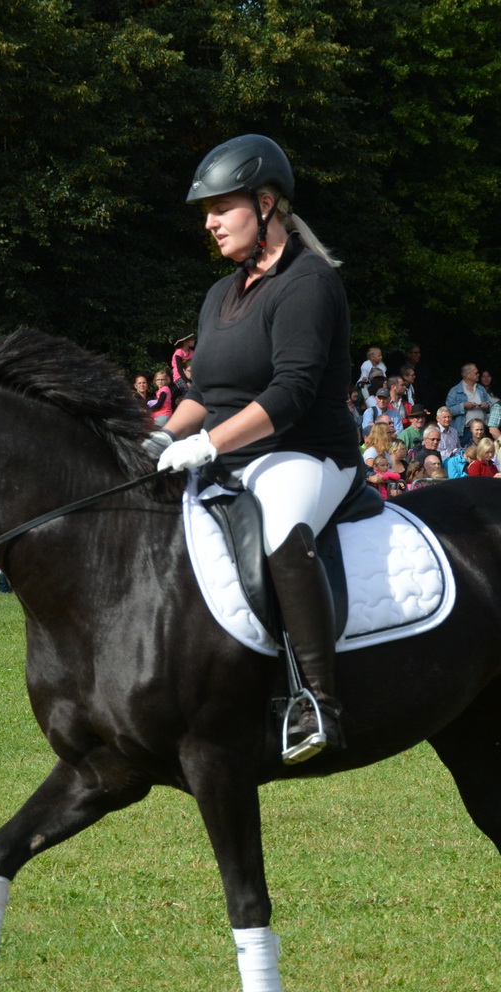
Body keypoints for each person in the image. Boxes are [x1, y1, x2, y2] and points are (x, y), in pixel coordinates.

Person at [154, 134, 360, 764]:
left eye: (223, 208)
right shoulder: (221, 293)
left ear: (266, 204)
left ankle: (317, 701)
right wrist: (162, 436)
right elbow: (203, 393)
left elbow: (291, 393)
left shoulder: (308, 282)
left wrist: (207, 443)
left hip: (307, 452)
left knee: (280, 529)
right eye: (207, 212)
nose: (210, 223)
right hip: (233, 454)